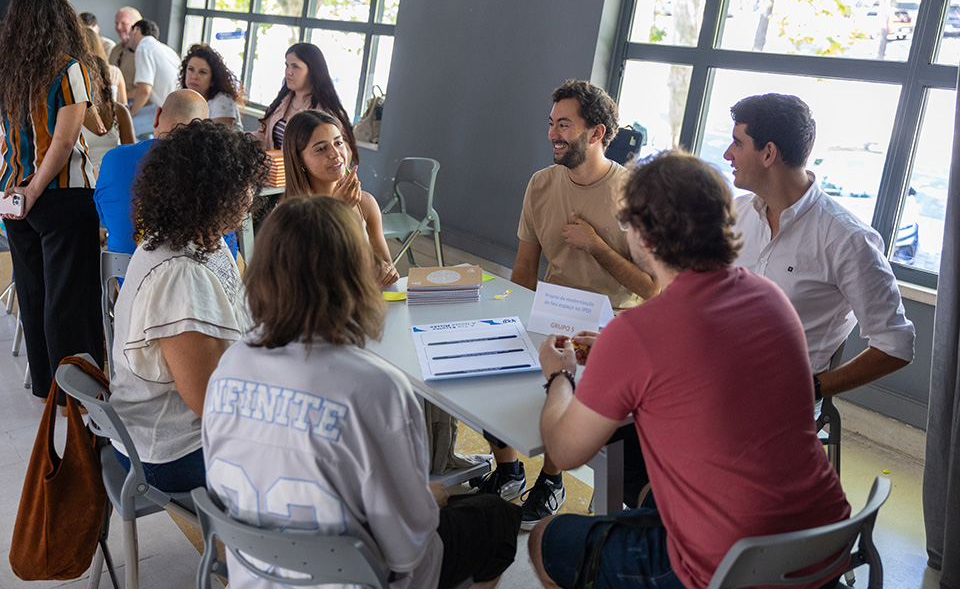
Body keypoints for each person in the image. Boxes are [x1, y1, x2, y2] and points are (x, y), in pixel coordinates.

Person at [528, 150, 851, 589]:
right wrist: (617, 354)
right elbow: (709, 360)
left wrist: (559, 376)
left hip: (733, 569)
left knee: (548, 538)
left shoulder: (638, 331)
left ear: (644, 235)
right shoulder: (770, 297)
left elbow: (564, 452)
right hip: (823, 545)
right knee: (647, 495)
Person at [203, 195, 521, 589]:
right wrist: (427, 498)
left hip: (258, 572)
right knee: (496, 518)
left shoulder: (230, 365)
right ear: (354, 278)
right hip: (358, 579)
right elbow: (407, 549)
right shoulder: (376, 385)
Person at [472, 79, 657, 529]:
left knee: (564, 395)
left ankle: (551, 480)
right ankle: (510, 468)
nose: (554, 134)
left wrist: (596, 246)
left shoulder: (635, 194)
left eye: (565, 125)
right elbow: (524, 268)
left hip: (612, 326)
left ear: (596, 133)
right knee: (483, 383)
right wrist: (507, 327)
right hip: (551, 311)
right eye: (551, 124)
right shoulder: (541, 184)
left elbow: (652, 288)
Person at [725, 94, 915, 403]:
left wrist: (810, 389)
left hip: (775, 411)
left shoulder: (849, 240)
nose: (727, 154)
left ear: (768, 153)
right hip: (712, 385)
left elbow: (895, 345)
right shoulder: (737, 213)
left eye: (737, 143)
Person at [108, 119, 266, 492]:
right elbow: (210, 402)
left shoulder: (201, 238)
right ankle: (262, 546)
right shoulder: (179, 276)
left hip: (179, 432)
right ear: (214, 194)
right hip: (170, 452)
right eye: (243, 187)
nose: (250, 197)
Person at [0, 0, 105, 405]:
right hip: (61, 195)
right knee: (68, 299)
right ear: (62, 18)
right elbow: (64, 144)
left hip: (13, 194)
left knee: (34, 292)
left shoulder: (5, 66)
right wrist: (38, 190)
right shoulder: (68, 68)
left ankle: (47, 388)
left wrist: (18, 190)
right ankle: (74, 396)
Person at [282, 110, 398, 286]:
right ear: (299, 160)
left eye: (338, 142)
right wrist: (335, 211)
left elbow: (387, 269)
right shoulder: (288, 215)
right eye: (321, 148)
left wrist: (385, 271)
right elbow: (303, 279)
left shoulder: (365, 204)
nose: (335, 154)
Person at [95, 89, 209, 254]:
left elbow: (105, 218)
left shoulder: (113, 158)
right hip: (181, 277)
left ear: (157, 116)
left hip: (121, 276)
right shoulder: (209, 171)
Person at [255, 42, 359, 163]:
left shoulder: (325, 111)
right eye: (287, 65)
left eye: (295, 66)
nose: (289, 72)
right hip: (275, 177)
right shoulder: (281, 102)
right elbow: (265, 136)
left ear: (313, 71)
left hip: (304, 180)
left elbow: (344, 152)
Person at [81, 27, 134, 177]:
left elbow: (131, 154)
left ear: (104, 82)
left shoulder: (120, 111)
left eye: (91, 78)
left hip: (112, 177)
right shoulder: (74, 110)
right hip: (82, 179)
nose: (86, 83)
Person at [127, 18, 181, 139]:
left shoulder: (143, 48)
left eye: (129, 33)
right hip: (177, 108)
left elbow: (145, 89)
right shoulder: (166, 49)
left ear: (136, 30)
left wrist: (131, 113)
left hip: (167, 112)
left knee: (125, 126)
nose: (127, 38)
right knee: (145, 137)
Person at [178, 43, 243, 129]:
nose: (194, 76)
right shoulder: (183, 97)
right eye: (191, 69)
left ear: (213, 79)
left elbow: (217, 139)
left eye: (202, 72)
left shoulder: (223, 100)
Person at [108, 6, 142, 96]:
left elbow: (145, 90)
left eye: (123, 23)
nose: (118, 27)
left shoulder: (144, 52)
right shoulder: (116, 49)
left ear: (136, 26)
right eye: (116, 23)